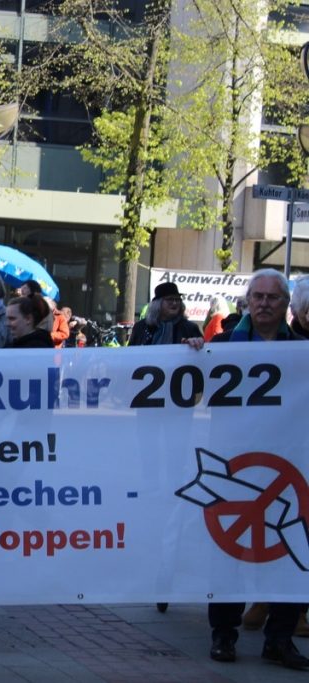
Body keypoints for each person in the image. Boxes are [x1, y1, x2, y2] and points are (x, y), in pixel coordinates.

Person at [185, 269, 308, 669]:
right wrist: (190, 352)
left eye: (273, 297)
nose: (264, 304)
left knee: (294, 552)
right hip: (235, 460)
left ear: (286, 304)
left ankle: (280, 639)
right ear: (247, 301)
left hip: (288, 463)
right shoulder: (221, 345)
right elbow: (192, 383)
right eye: (258, 296)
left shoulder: (303, 348)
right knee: (228, 552)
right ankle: (223, 634)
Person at [128, 282, 201, 346]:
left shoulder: (189, 328)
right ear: (158, 304)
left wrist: (195, 343)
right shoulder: (141, 327)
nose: (175, 303)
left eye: (177, 299)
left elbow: (203, 350)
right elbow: (131, 352)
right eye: (170, 299)